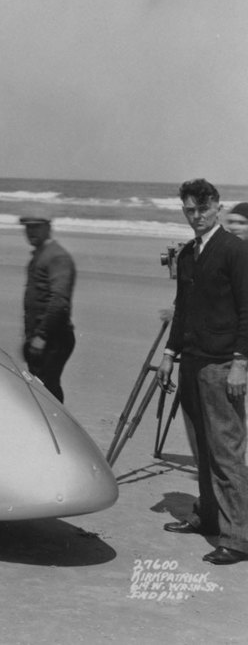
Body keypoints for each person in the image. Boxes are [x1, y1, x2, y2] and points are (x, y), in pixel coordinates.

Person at [156, 178, 248, 565]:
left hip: (222, 364)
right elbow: (182, 307)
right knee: (202, 450)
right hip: (191, 361)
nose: (195, 217)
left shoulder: (235, 251)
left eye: (202, 210)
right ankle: (208, 517)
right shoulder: (189, 254)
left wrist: (241, 363)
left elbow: (247, 311)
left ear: (216, 208)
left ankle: (239, 538)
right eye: (189, 211)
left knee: (226, 451)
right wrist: (169, 352)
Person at [20, 210, 76, 403]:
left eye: (36, 226)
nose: (31, 231)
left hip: (53, 339)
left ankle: (56, 430)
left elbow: (59, 301)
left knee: (46, 391)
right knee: (42, 388)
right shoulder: (41, 255)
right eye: (28, 227)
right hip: (40, 337)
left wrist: (41, 336)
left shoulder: (57, 257)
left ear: (48, 228)